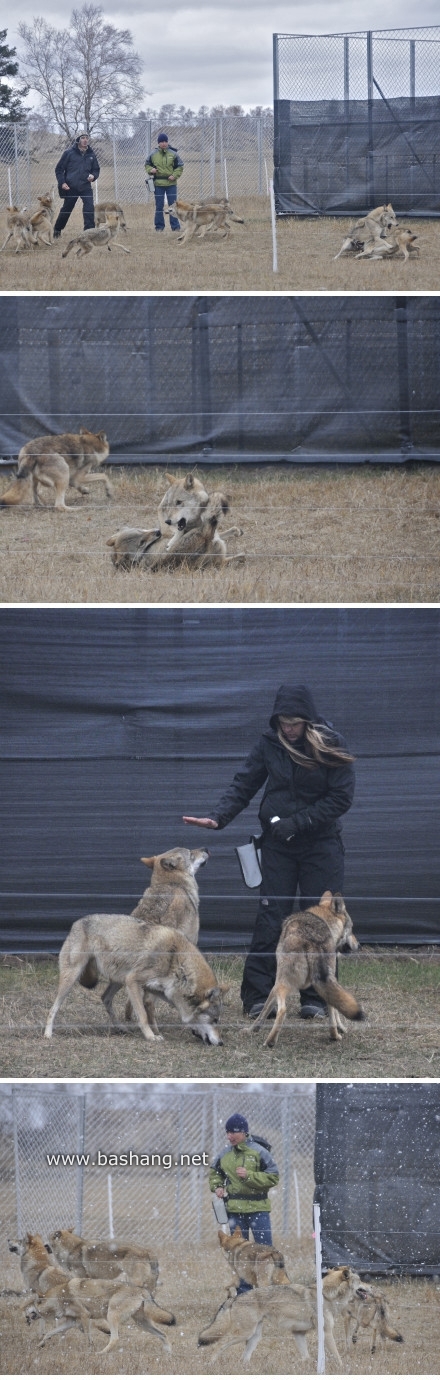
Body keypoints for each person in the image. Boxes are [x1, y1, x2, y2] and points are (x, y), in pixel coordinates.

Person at [183, 683, 355, 1019]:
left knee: (317, 923)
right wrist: (218, 818)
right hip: (278, 846)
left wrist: (299, 821)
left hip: (321, 846)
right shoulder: (269, 744)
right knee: (271, 918)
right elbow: (244, 783)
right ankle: (258, 996)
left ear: (308, 720)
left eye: (294, 723)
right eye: (283, 724)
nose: (288, 730)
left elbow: (341, 798)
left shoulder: (331, 744)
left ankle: (317, 999)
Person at [209, 1112, 279, 1292]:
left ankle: (266, 1291)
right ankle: (244, 1294)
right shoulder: (225, 1155)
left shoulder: (259, 1152)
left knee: (264, 1253)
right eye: (227, 1132)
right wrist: (217, 1186)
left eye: (233, 1132)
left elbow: (273, 1176)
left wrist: (250, 1176)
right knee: (239, 1255)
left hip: (258, 1210)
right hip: (235, 1212)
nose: (229, 1136)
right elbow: (214, 1173)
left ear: (244, 1132)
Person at [53, 132, 100, 239]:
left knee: (89, 208)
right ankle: (57, 229)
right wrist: (62, 183)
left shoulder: (91, 154)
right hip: (71, 187)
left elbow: (96, 169)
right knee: (67, 209)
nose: (85, 140)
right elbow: (59, 169)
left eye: (87, 138)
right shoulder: (69, 153)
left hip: (85, 186)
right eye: (83, 138)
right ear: (78, 140)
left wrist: (93, 176)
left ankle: (89, 233)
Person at [145, 132, 183, 232]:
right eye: (161, 141)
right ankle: (159, 227)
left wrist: (174, 175)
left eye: (165, 141)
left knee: (173, 205)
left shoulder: (173, 154)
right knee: (159, 206)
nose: (164, 143)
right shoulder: (153, 154)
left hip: (171, 184)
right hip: (158, 184)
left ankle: (175, 227)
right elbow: (147, 165)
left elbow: (180, 166)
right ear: (158, 143)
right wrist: (151, 170)